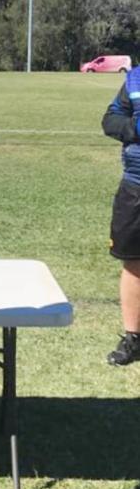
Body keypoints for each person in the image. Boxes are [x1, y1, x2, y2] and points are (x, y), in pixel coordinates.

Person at [102, 66, 140, 365]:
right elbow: (111, 119)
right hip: (135, 186)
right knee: (133, 262)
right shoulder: (135, 79)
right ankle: (133, 338)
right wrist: (135, 129)